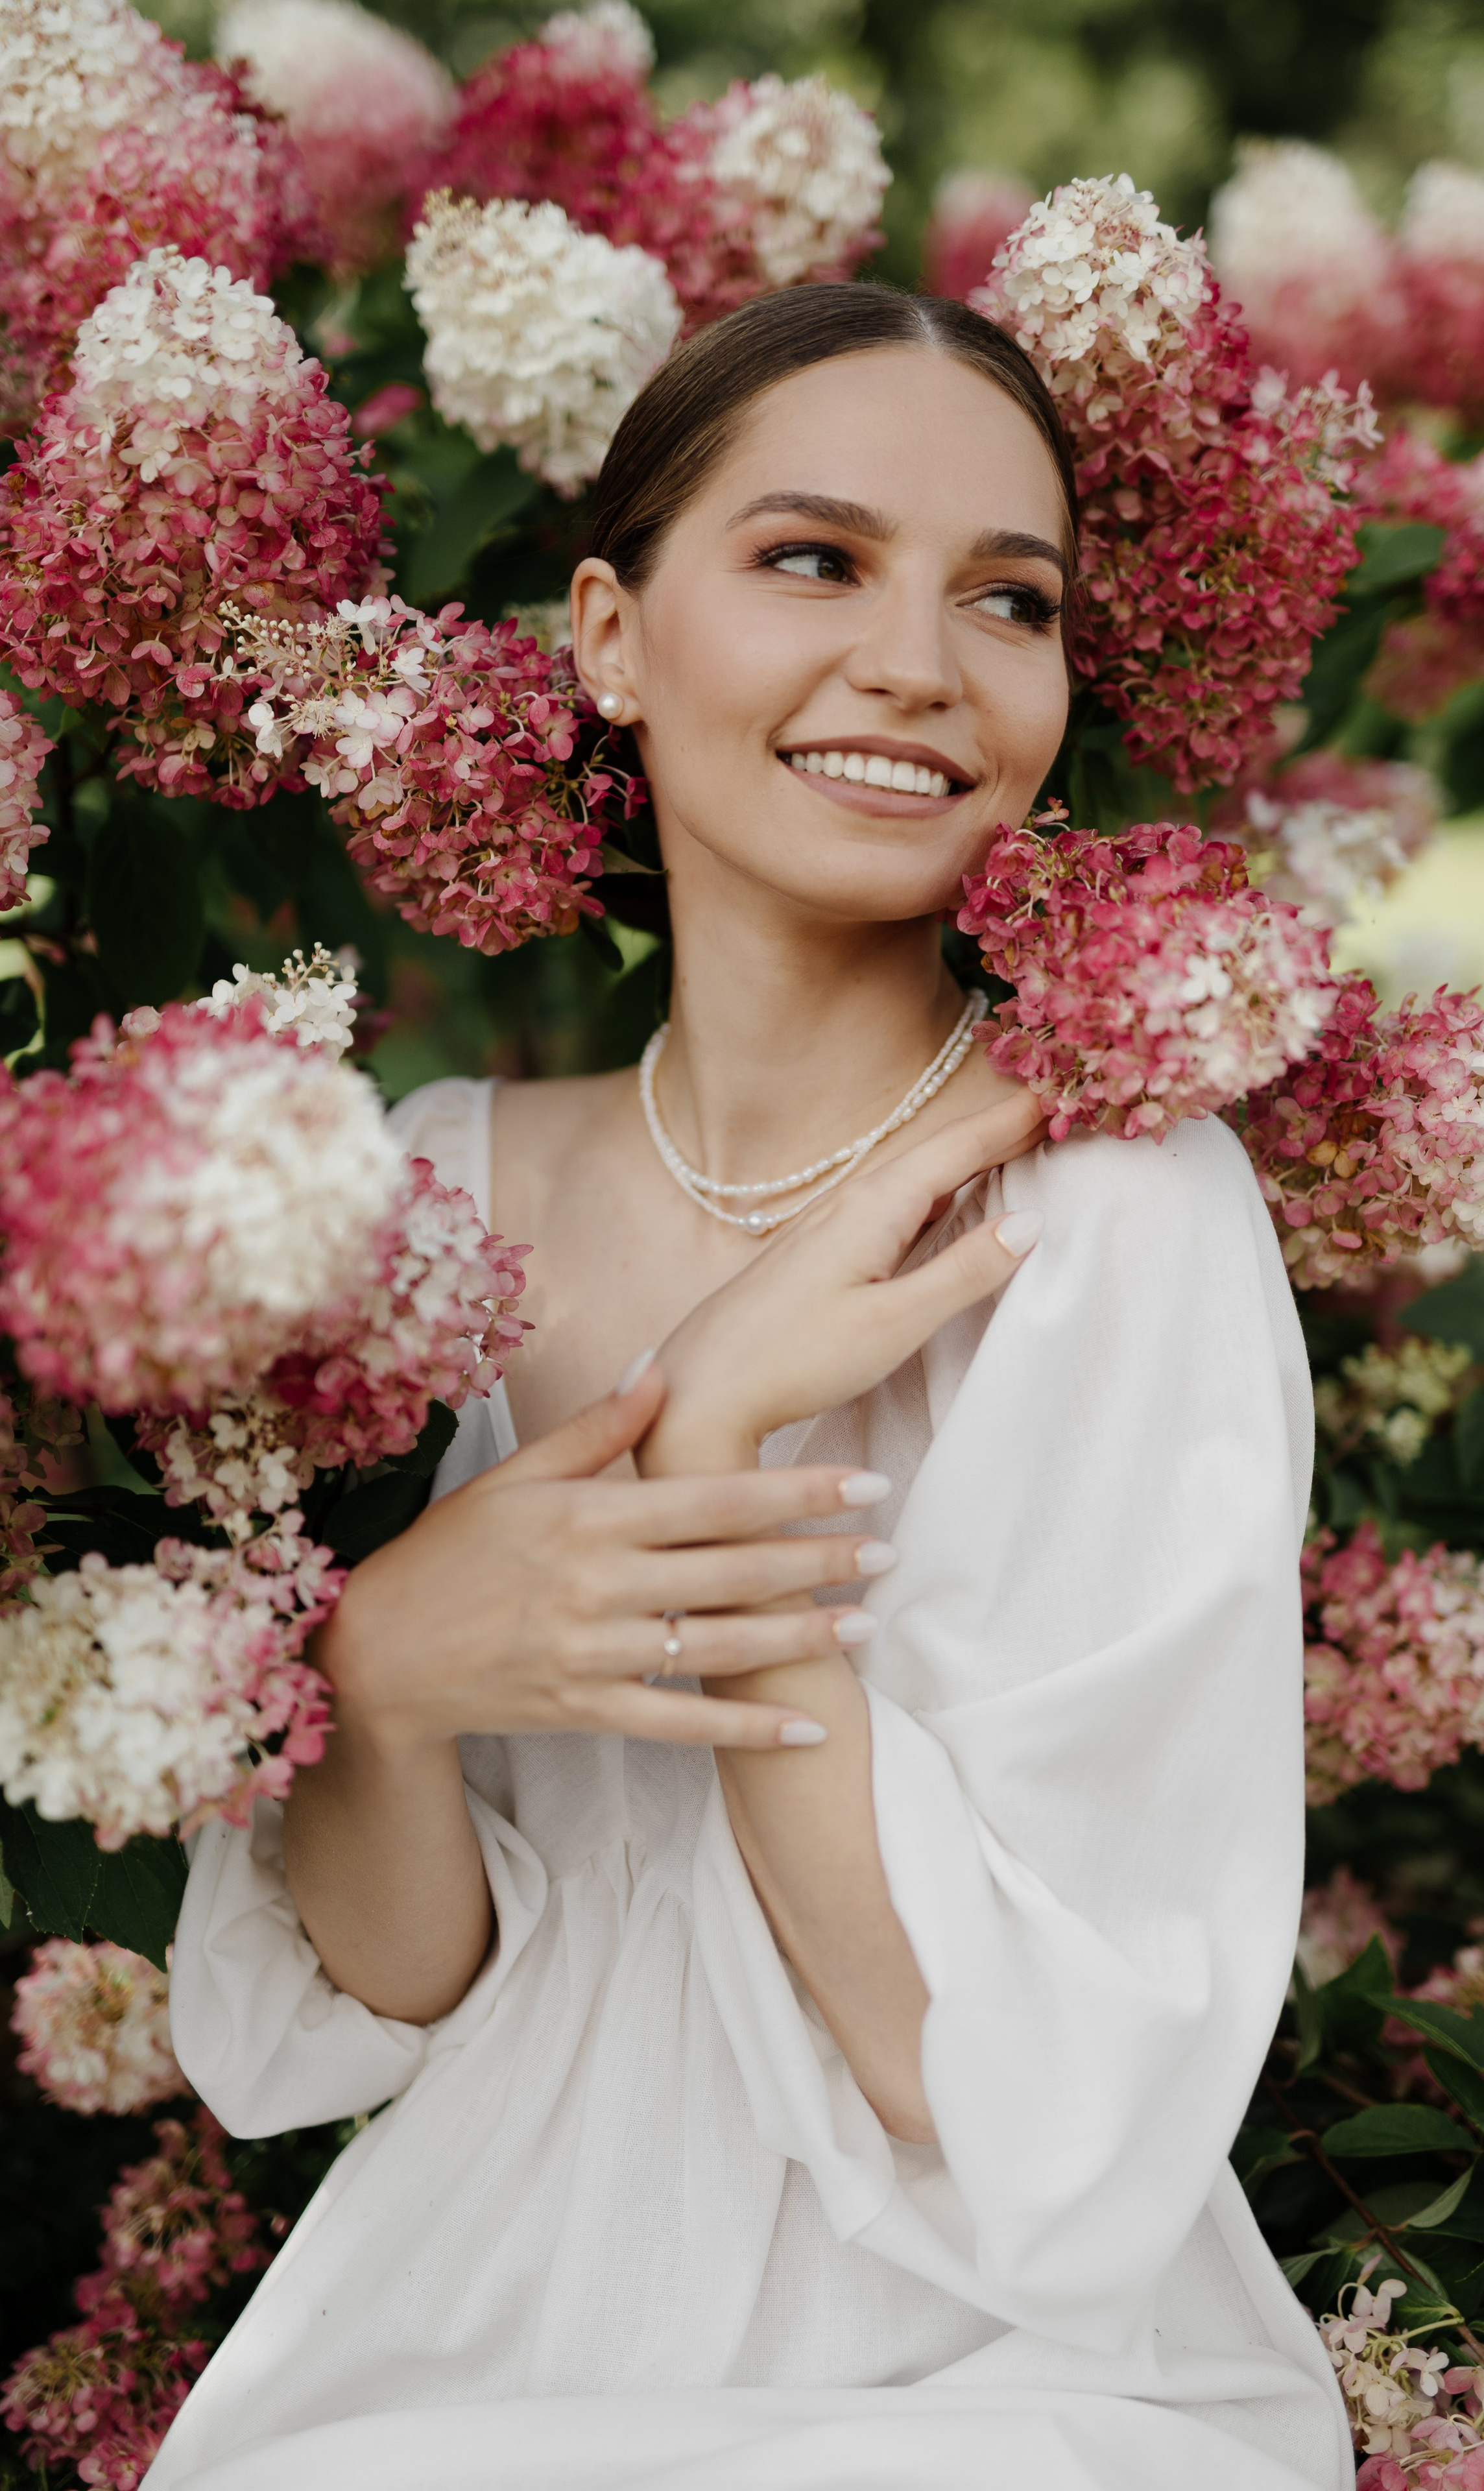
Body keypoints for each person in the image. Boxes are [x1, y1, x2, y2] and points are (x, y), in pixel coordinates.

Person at [147, 285, 1354, 2491]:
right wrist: (388, 1670)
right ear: (610, 632)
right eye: (817, 557)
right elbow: (393, 2005)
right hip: (484, 2291)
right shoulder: (430, 1194)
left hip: (993, 2361)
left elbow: (986, 2099)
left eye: (1011, 599)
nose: (920, 659)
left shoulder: (1114, 1212)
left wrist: (710, 1462)